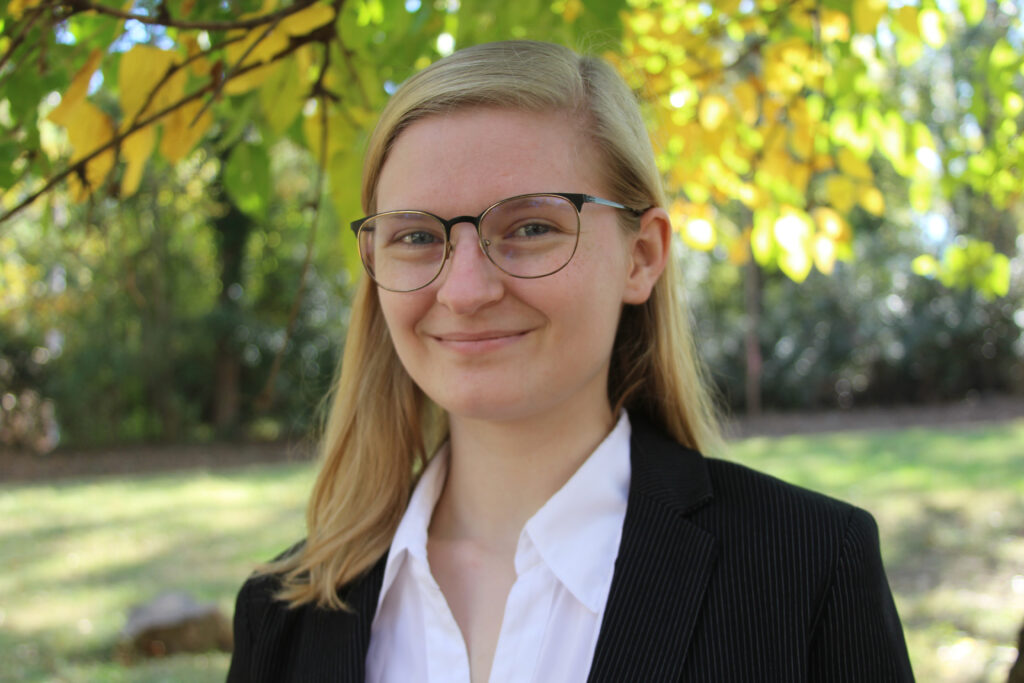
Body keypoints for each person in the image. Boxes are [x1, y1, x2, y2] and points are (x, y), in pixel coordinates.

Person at [227, 40, 914, 682]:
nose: (464, 291)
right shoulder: (283, 613)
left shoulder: (809, 570)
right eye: (415, 236)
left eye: (530, 227)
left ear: (641, 256)